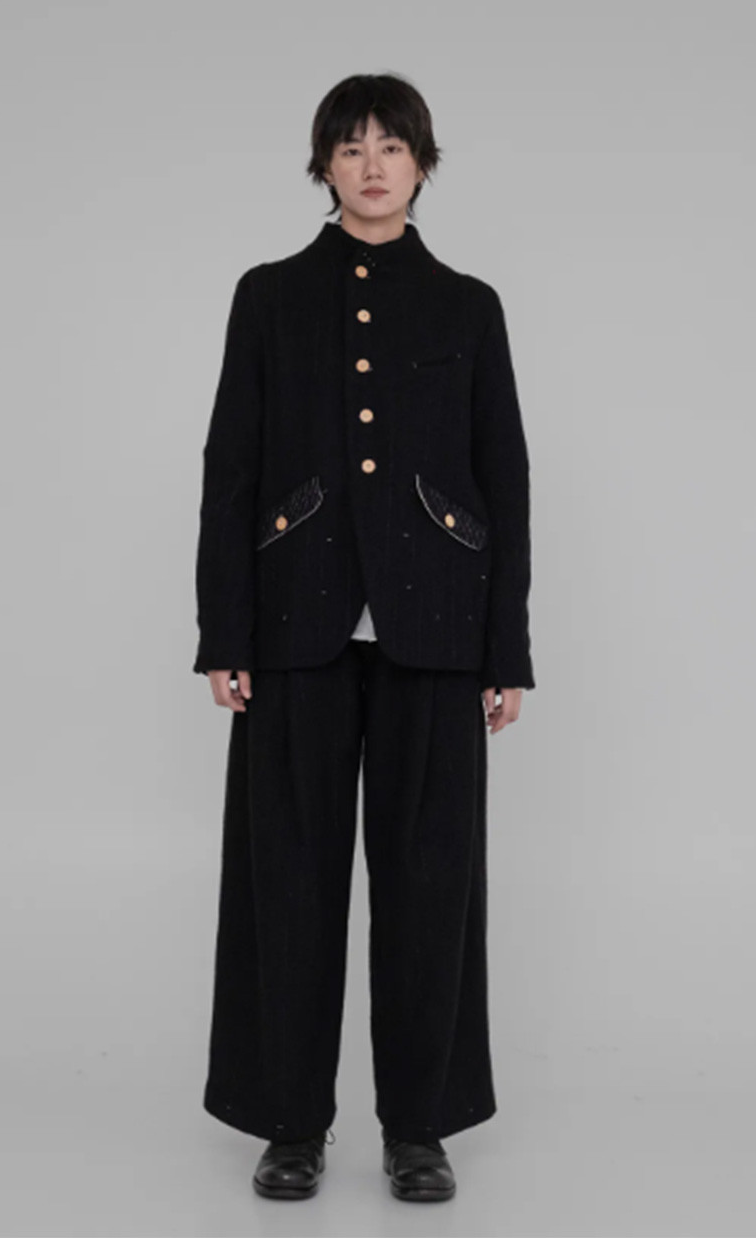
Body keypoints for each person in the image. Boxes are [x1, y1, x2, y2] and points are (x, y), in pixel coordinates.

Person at [192, 72, 535, 1203]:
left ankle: (418, 1126)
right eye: (350, 147)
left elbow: (504, 478)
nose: (373, 165)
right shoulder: (269, 296)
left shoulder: (468, 306)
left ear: (423, 163)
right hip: (295, 625)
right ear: (323, 166)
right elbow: (232, 467)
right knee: (286, 884)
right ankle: (289, 1123)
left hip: (437, 633)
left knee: (432, 886)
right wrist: (224, 631)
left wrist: (505, 650)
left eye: (392, 145)